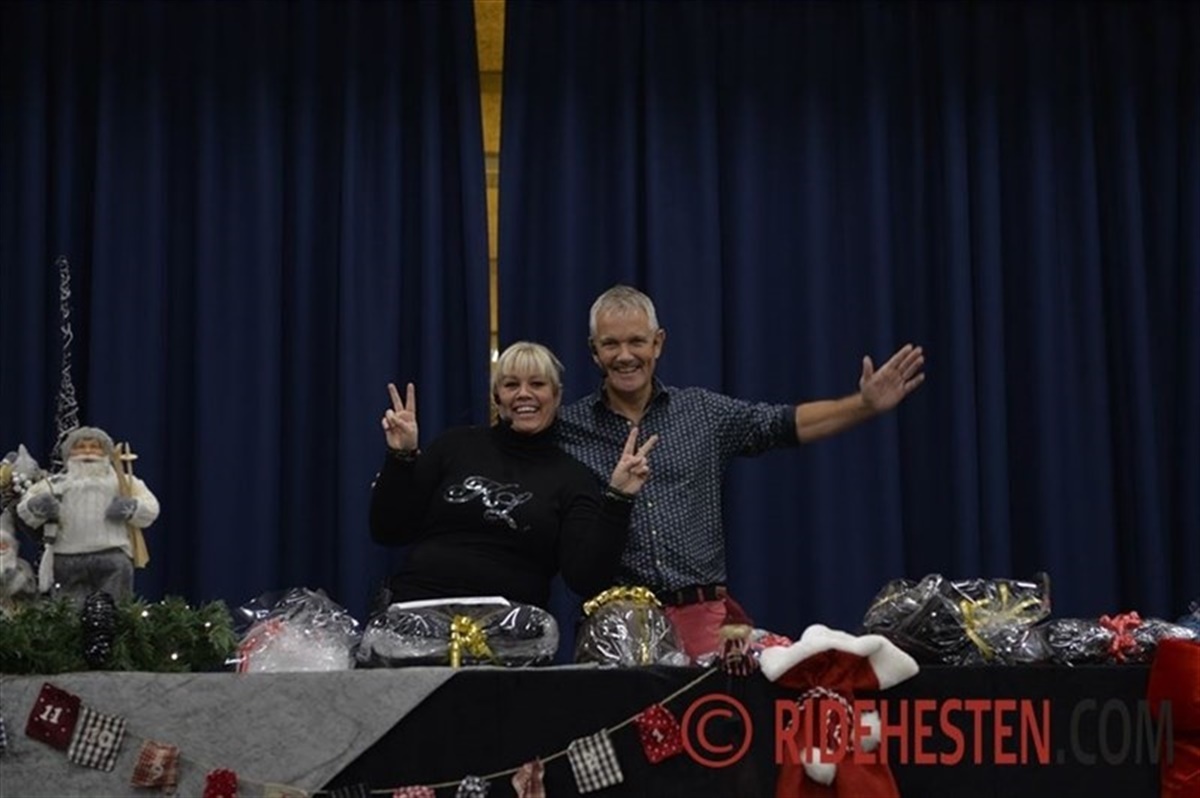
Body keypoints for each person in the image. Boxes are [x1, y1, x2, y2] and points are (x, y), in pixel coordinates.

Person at [556, 285, 926, 660]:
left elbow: (782, 424)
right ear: (594, 351)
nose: (624, 356)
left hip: (703, 619)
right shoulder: (568, 429)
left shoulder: (702, 413)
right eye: (611, 344)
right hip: (620, 628)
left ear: (658, 343)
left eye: (636, 341)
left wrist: (863, 405)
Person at [369, 341, 658, 610]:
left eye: (537, 384)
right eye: (511, 385)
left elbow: (586, 580)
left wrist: (618, 500)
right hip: (418, 610)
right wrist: (400, 457)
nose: (524, 394)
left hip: (509, 630)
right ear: (497, 397)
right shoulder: (454, 446)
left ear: (556, 396)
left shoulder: (572, 478)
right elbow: (388, 530)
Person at [17, 426, 160, 606]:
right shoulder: (54, 484)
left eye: (94, 447)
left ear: (107, 453)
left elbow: (151, 508)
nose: (87, 452)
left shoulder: (123, 482)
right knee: (69, 612)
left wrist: (131, 508)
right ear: (68, 454)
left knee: (114, 611)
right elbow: (24, 509)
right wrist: (37, 506)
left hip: (112, 557)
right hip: (66, 558)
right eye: (80, 447)